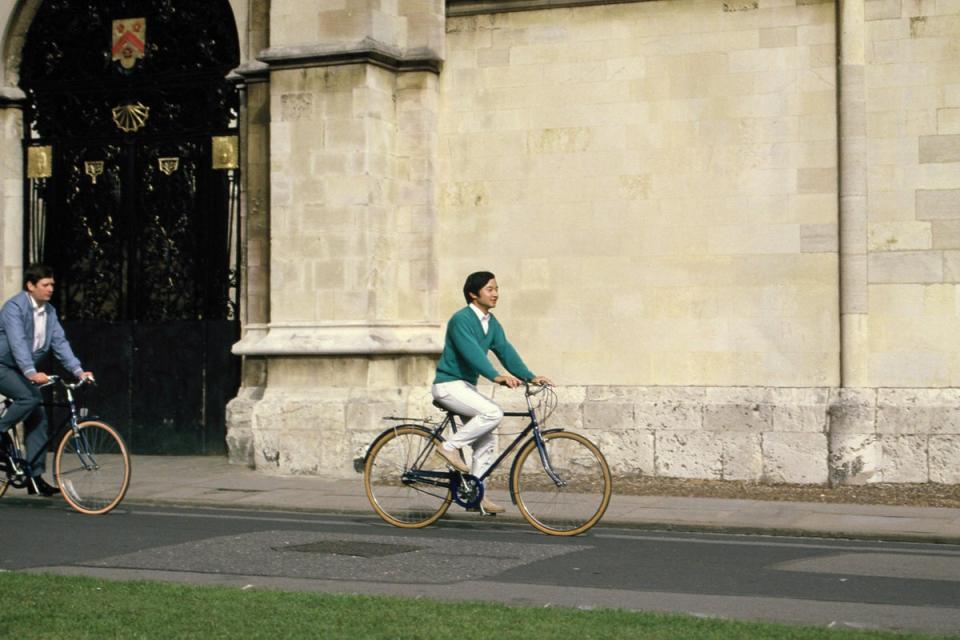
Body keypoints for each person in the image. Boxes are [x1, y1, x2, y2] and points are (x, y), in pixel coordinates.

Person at [432, 271, 552, 514]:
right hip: (448, 385)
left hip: (465, 387)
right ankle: (448, 447)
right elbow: (471, 353)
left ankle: (476, 495)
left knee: (487, 439)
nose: (495, 293)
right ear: (473, 294)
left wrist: (530, 376)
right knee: (492, 413)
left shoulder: (491, 323)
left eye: (497, 288)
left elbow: (505, 350)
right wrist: (495, 376)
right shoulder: (461, 319)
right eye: (489, 289)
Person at [0, 264, 93, 496]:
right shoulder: (14, 308)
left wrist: (79, 371)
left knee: (39, 418)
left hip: (21, 369)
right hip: (3, 365)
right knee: (29, 397)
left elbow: (60, 343)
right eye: (45, 285)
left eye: (52, 284)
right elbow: (17, 342)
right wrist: (31, 373)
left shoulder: (49, 312)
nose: (51, 288)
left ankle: (34, 478)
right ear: (30, 286)